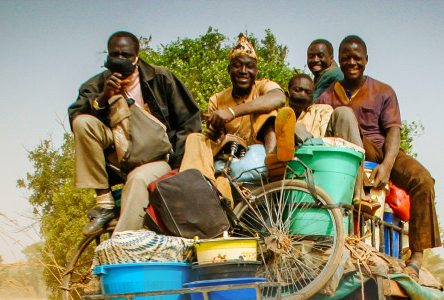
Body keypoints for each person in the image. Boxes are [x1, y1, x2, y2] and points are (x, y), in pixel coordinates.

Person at [316, 35, 440, 278]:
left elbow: (393, 130)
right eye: (346, 58)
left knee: (423, 180)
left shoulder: (383, 91)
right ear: (339, 62)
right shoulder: (327, 96)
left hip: (384, 151)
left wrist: (387, 164)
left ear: (366, 60)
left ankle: (415, 257)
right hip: (352, 153)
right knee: (344, 118)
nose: (352, 62)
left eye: (357, 58)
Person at [68, 31, 201, 235]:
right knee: (82, 122)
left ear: (136, 56)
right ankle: (104, 202)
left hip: (157, 160)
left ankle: (121, 246)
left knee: (138, 180)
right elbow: (77, 120)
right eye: (115, 55)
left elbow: (188, 120)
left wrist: (179, 167)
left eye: (126, 55)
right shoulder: (94, 85)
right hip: (118, 156)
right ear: (108, 56)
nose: (120, 59)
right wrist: (103, 98)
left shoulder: (160, 78)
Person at [180, 34, 287, 187]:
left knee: (267, 109)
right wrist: (215, 133)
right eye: (237, 66)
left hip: (260, 151)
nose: (243, 71)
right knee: (196, 139)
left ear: (256, 71)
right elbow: (216, 139)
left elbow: (278, 98)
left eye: (249, 66)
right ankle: (194, 184)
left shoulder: (263, 86)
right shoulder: (217, 99)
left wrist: (232, 112)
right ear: (229, 69)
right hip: (230, 155)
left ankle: (274, 157)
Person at [285, 73, 363, 148]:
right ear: (287, 94)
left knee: (344, 112)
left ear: (313, 97)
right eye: (298, 90)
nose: (302, 94)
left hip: (323, 153)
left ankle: (355, 159)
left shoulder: (322, 110)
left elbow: (326, 138)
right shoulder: (279, 115)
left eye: (308, 92)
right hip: (293, 157)